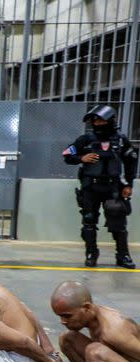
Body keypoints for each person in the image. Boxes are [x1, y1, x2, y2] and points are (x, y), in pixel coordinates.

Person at [63, 105, 138, 268]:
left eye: (101, 119)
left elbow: (131, 162)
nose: (97, 123)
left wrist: (129, 184)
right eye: (94, 120)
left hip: (113, 187)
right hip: (91, 187)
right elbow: (67, 155)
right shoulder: (85, 139)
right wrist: (82, 158)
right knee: (89, 221)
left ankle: (123, 255)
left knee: (118, 221)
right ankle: (91, 253)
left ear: (110, 120)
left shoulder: (120, 140)